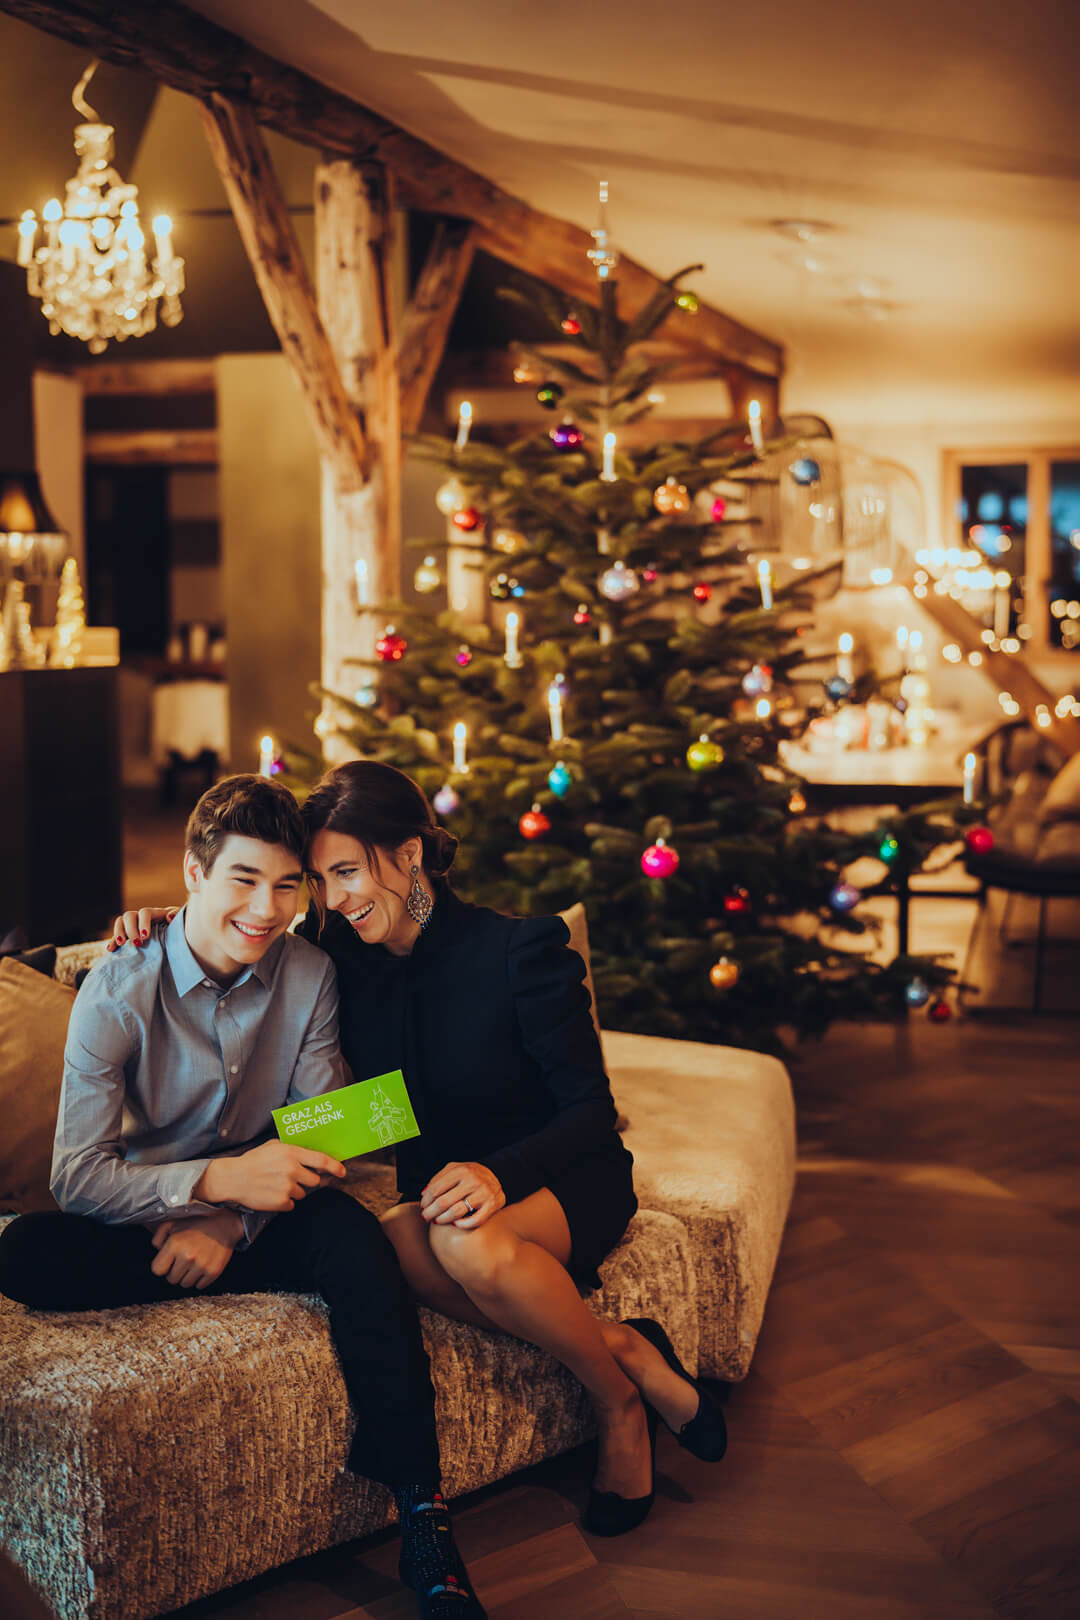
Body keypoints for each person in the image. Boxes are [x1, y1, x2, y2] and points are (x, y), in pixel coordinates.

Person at [108, 762, 727, 1536]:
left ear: (409, 854)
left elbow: (591, 1114)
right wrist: (170, 920)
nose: (333, 899)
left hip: (561, 1177)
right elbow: (352, 1113)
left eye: (345, 872)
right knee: (389, 1242)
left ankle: (619, 1404)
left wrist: (498, 1175)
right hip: (444, 1202)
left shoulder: (522, 950)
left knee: (466, 1247)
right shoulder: (338, 965)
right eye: (320, 879)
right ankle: (626, 1349)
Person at [0, 775, 485, 1620]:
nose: (267, 908)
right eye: (243, 880)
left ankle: (422, 1513)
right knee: (25, 1255)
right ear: (192, 875)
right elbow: (79, 1175)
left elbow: (326, 1127)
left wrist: (233, 1219)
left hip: (271, 1209)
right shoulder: (118, 988)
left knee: (362, 1251)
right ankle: (225, 1248)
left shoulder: (309, 973)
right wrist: (212, 1186)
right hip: (145, 1211)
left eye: (287, 885)